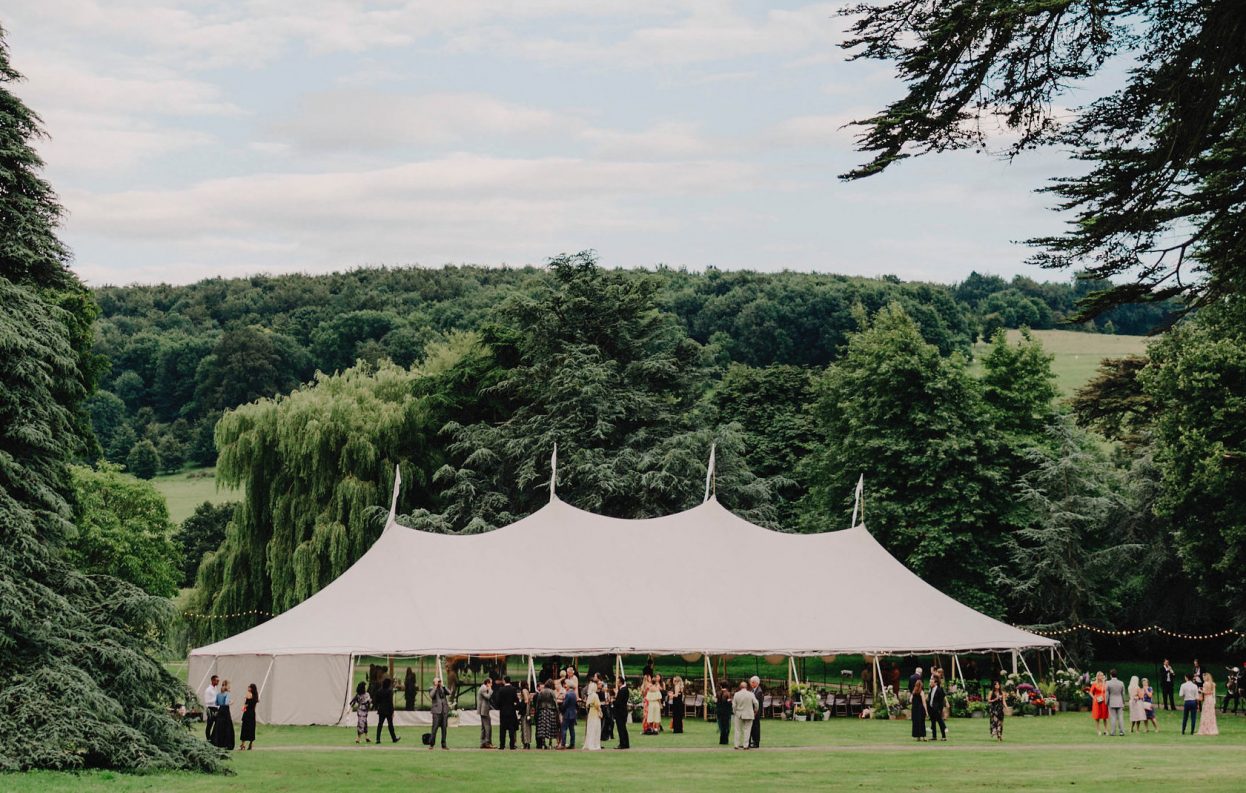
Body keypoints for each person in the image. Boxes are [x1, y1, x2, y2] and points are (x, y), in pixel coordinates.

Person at [732, 680, 757, 749]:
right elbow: (756, 703)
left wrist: (735, 712)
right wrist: (755, 710)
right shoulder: (751, 694)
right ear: (746, 687)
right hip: (749, 713)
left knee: (737, 730)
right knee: (747, 730)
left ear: (740, 687)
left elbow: (734, 705)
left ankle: (736, 745)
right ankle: (746, 745)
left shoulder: (736, 694)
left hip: (739, 714)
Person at [495, 676, 519, 750]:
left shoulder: (501, 690)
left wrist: (500, 707)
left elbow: (498, 701)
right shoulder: (513, 689)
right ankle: (512, 745)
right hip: (511, 711)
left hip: (503, 711)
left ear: (504, 681)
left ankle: (502, 745)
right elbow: (516, 700)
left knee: (503, 729)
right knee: (511, 729)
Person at [211, 680, 235, 750]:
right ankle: (227, 743)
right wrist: (231, 702)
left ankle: (217, 742)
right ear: (227, 686)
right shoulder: (227, 694)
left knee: (218, 725)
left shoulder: (218, 694)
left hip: (220, 710)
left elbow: (216, 703)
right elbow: (226, 703)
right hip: (225, 711)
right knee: (227, 726)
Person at [375, 677, 399, 744]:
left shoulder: (379, 691)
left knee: (380, 725)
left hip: (381, 709)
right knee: (390, 725)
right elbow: (390, 702)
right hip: (388, 710)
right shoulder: (389, 691)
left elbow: (377, 701)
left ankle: (378, 739)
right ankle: (394, 738)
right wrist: (392, 711)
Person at [428, 676, 450, 750]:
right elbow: (431, 695)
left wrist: (443, 686)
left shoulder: (442, 688)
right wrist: (435, 687)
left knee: (444, 729)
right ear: (434, 682)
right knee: (434, 728)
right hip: (436, 712)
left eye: (439, 681)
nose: (439, 683)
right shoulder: (431, 688)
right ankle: (431, 744)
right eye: (438, 681)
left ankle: (444, 744)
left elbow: (449, 692)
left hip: (444, 711)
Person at [536, 680, 559, 750]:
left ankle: (543, 744)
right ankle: (550, 743)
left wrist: (537, 711)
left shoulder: (541, 692)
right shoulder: (552, 692)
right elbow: (555, 702)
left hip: (542, 711)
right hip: (550, 711)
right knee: (551, 727)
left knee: (543, 728)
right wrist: (557, 711)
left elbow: (538, 703)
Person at [1105, 670, 1126, 737]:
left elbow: (1107, 694)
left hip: (1112, 701)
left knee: (1113, 717)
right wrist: (1123, 701)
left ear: (1110, 675)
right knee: (1120, 717)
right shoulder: (1121, 683)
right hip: (1119, 701)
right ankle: (1121, 732)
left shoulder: (1108, 683)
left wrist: (1106, 702)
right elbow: (1123, 693)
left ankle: (1113, 732)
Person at [928, 673, 947, 741]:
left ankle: (944, 736)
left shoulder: (939, 689)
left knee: (940, 722)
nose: (930, 681)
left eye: (932, 680)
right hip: (931, 708)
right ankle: (934, 736)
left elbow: (941, 701)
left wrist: (940, 709)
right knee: (933, 722)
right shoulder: (931, 689)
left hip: (937, 709)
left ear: (935, 682)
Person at [560, 677, 579, 749]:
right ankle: (572, 743)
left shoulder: (568, 694)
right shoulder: (574, 694)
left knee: (564, 729)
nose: (565, 686)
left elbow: (565, 704)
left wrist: (562, 709)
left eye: (565, 684)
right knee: (572, 729)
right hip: (573, 713)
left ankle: (563, 744)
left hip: (567, 713)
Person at [584, 681, 603, 750]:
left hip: (591, 712)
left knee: (590, 728)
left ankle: (589, 743)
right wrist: (600, 711)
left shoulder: (590, 695)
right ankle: (594, 744)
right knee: (595, 729)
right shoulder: (595, 695)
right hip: (595, 713)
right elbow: (598, 705)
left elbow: (587, 705)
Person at [239, 683, 258, 751]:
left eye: (249, 687)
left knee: (244, 728)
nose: (248, 688)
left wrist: (243, 709)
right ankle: (251, 743)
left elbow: (246, 705)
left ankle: (243, 744)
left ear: (252, 689)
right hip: (252, 714)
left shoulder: (248, 694)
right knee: (251, 729)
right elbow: (254, 707)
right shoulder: (256, 697)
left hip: (247, 714)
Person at [614, 677, 631, 750]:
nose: (617, 683)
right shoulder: (625, 689)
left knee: (621, 728)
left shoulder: (622, 690)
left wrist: (613, 701)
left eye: (618, 682)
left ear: (620, 682)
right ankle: (626, 743)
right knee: (623, 728)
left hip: (620, 712)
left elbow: (618, 702)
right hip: (623, 711)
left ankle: (622, 744)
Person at [477, 678, 494, 749]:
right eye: (491, 683)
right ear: (487, 683)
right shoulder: (483, 688)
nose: (491, 684)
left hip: (483, 710)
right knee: (488, 727)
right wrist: (490, 689)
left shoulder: (483, 687)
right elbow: (488, 696)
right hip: (484, 710)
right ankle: (487, 743)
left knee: (484, 727)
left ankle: (483, 742)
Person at [202, 675, 219, 742]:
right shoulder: (208, 690)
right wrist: (216, 699)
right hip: (210, 708)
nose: (218, 682)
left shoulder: (216, 689)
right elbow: (207, 701)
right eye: (217, 681)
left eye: (218, 681)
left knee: (217, 724)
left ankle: (214, 738)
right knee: (210, 724)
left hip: (216, 708)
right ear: (212, 680)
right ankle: (208, 738)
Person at [748, 676, 763, 749]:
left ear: (756, 683)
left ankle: (756, 743)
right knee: (752, 727)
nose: (751, 683)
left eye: (752, 682)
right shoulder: (753, 690)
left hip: (756, 713)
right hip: (752, 712)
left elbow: (756, 703)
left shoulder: (759, 691)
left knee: (756, 728)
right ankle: (752, 741)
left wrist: (755, 712)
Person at [518, 680, 533, 750]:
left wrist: (520, 705)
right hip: (528, 712)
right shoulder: (527, 690)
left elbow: (526, 701)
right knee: (528, 727)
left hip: (525, 712)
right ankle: (528, 742)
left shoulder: (523, 690)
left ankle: (525, 743)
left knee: (524, 727)